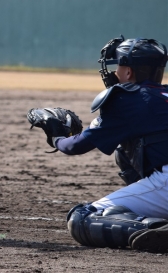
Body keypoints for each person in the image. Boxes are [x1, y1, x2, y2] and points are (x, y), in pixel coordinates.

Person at [29, 36, 168, 253]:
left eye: (118, 65)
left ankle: (154, 227)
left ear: (128, 72)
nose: (114, 72)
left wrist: (57, 138)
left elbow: (76, 146)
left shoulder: (129, 99)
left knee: (83, 217)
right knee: (128, 149)